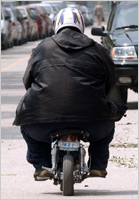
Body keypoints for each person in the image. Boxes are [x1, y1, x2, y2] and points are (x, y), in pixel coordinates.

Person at [13, 8, 127, 181]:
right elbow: (111, 81)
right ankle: (97, 165)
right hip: (94, 121)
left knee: (25, 119)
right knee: (109, 124)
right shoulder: (98, 49)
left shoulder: (42, 48)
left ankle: (41, 165)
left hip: (42, 123)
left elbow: (27, 81)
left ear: (56, 25)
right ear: (80, 25)